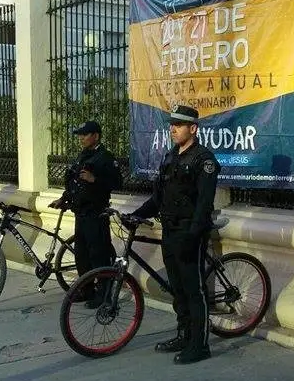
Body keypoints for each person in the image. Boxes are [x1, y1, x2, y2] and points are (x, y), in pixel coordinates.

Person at [129, 105, 221, 365]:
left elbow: (204, 204)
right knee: (178, 289)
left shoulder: (204, 160)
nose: (173, 129)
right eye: (171, 124)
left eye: (179, 125)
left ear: (193, 129)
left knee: (195, 290)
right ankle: (184, 334)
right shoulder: (171, 156)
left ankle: (199, 344)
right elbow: (158, 198)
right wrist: (137, 214)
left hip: (189, 233)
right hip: (169, 231)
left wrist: (193, 236)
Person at [49, 121, 122, 306]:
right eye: (80, 134)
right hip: (80, 213)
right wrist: (63, 199)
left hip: (96, 214)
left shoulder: (105, 157)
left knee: (99, 255)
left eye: (85, 134)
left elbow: (117, 183)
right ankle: (87, 290)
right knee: (82, 255)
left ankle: (104, 295)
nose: (81, 138)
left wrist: (95, 179)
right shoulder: (83, 155)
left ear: (96, 136)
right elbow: (75, 182)